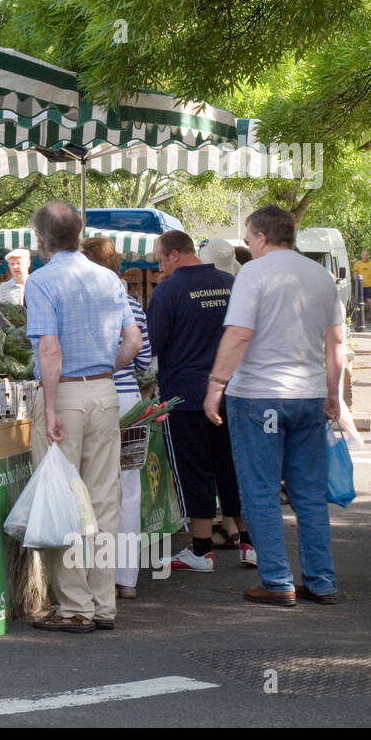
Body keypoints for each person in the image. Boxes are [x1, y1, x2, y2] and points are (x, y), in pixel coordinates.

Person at [203, 205, 344, 607]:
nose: (248, 247)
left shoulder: (253, 273)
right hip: (309, 395)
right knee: (310, 494)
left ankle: (278, 581)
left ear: (262, 237)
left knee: (260, 492)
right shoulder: (321, 276)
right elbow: (336, 344)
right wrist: (334, 394)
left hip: (259, 395)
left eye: (248, 240)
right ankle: (321, 582)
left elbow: (239, 333)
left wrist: (216, 384)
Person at [26, 202, 142, 633]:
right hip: (105, 392)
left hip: (66, 394)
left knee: (64, 501)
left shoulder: (41, 281)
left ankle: (76, 606)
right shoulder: (109, 279)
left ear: (41, 240)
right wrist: (105, 369)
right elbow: (132, 340)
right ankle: (102, 602)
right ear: (78, 233)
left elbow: (49, 350)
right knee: (104, 503)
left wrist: (52, 407)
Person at [146, 231, 253, 575]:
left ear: (176, 255)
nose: (159, 267)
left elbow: (152, 346)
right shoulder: (229, 282)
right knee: (232, 467)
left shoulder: (167, 292)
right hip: (231, 390)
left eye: (160, 259)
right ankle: (250, 543)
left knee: (195, 470)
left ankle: (202, 549)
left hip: (186, 395)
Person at [80, 237, 153, 599]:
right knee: (128, 489)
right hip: (129, 402)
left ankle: (95, 577)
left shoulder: (81, 303)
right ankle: (127, 579)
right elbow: (144, 358)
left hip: (91, 396)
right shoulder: (132, 305)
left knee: (93, 486)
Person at [353, 249, 371, 325]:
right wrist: (356, 281)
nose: (365, 256)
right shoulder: (357, 264)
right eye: (363, 255)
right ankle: (359, 317)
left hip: (370, 286)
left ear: (369, 255)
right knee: (358, 302)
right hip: (360, 286)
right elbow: (355, 274)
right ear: (361, 255)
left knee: (370, 302)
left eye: (366, 255)